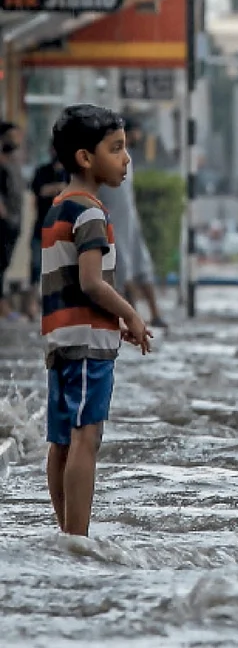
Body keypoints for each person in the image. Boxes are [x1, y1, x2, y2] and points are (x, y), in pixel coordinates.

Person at [42, 104, 153, 536]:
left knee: (62, 440)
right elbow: (91, 282)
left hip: (60, 338)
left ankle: (64, 531)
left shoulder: (58, 208)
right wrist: (132, 315)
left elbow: (69, 282)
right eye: (117, 149)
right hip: (87, 345)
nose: (126, 159)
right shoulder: (91, 213)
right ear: (86, 158)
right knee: (87, 437)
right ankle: (77, 537)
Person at [97, 118, 166, 329]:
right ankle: (132, 316)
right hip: (112, 220)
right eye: (135, 133)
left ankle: (154, 314)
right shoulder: (104, 156)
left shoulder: (127, 158)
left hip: (130, 220)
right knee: (122, 269)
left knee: (142, 266)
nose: (139, 137)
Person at [26, 142, 70, 319]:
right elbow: (39, 191)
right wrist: (57, 188)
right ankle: (31, 306)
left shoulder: (71, 172)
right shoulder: (42, 171)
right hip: (42, 227)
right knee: (36, 267)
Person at [0, 122, 25, 319]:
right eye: (13, 135)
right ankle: (3, 307)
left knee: (4, 263)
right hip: (4, 221)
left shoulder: (14, 160)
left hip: (15, 221)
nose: (17, 139)